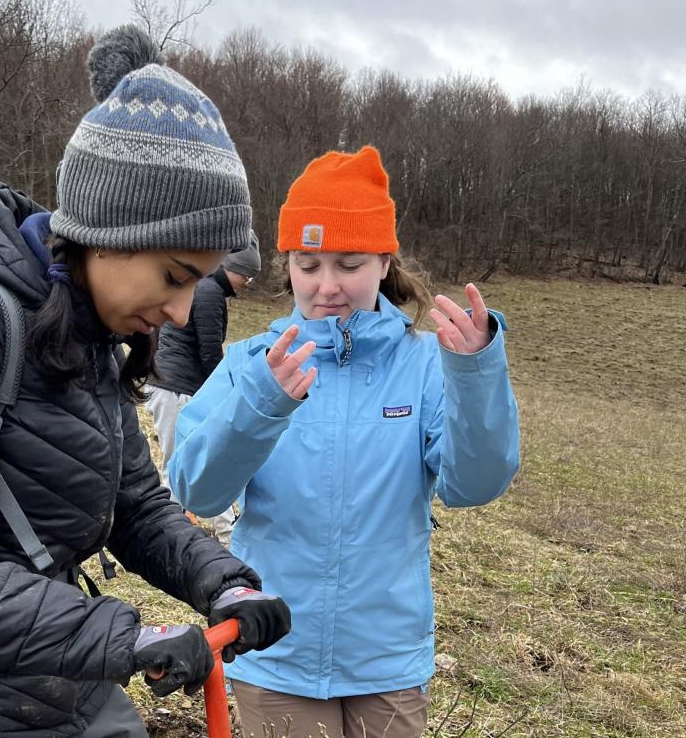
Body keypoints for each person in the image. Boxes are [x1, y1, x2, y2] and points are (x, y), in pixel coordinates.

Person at [0, 25, 290, 738]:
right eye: (175, 277)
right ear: (108, 231)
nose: (182, 311)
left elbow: (135, 504)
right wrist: (126, 637)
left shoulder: (90, 327)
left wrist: (225, 582)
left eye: (201, 283)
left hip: (61, 673)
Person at [168, 146, 520, 738]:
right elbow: (197, 490)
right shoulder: (254, 362)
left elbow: (475, 486)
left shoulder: (426, 364)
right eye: (308, 264)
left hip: (387, 661)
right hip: (276, 652)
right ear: (288, 265)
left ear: (385, 262)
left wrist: (476, 375)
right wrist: (265, 404)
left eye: (349, 262)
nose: (326, 286)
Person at [144, 232, 262, 545]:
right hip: (174, 388)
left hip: (177, 386)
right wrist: (223, 394)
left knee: (192, 461)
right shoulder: (208, 292)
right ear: (232, 267)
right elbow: (210, 352)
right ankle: (176, 534)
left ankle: (203, 528)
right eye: (246, 276)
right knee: (181, 464)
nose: (245, 283)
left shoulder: (206, 288)